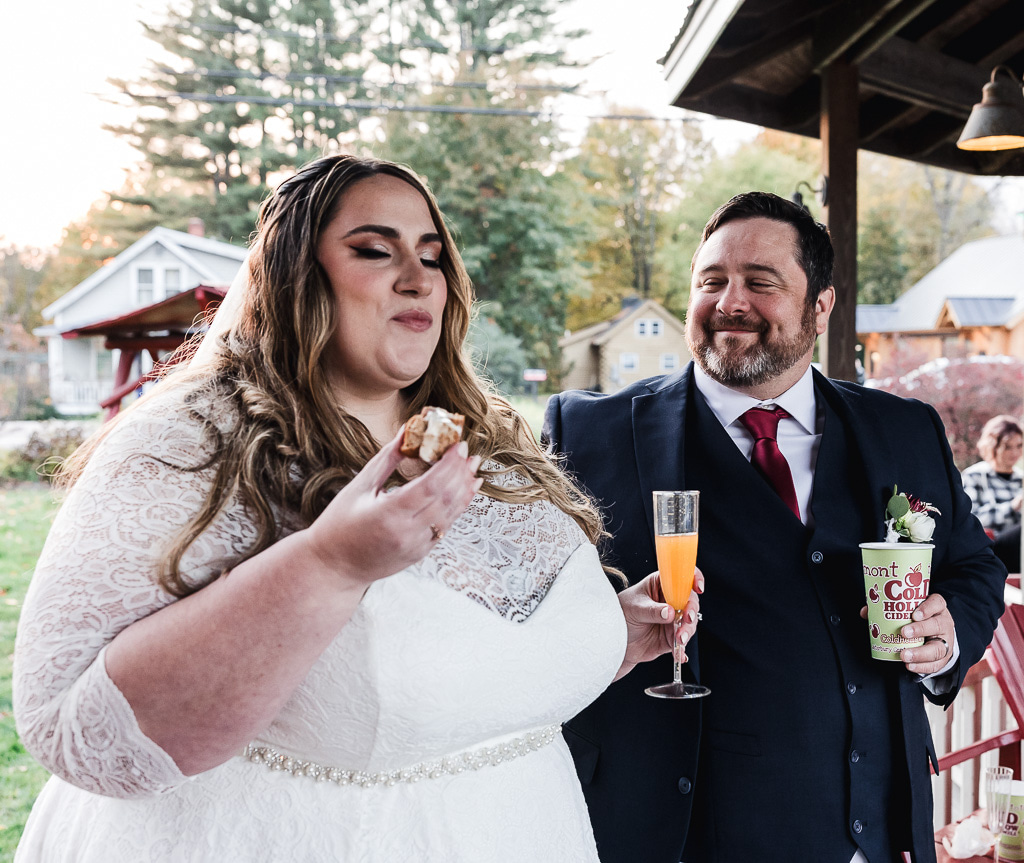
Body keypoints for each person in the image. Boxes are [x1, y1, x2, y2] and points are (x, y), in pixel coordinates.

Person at [13, 154, 697, 862]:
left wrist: (604, 635)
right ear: (293, 276)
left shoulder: (486, 442)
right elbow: (71, 726)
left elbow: (470, 670)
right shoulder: (187, 444)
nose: (417, 276)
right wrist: (330, 565)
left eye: (433, 256)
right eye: (375, 250)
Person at [544, 192, 1007, 863]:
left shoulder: (904, 429)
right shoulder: (588, 433)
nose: (730, 302)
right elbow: (522, 615)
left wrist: (950, 633)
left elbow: (973, 569)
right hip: (675, 835)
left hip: (876, 834)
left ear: (821, 306)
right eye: (711, 281)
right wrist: (602, 629)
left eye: (760, 282)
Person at [962, 414, 1023, 572]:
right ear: (993, 447)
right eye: (1007, 447)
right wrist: (1012, 506)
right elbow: (971, 520)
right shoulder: (974, 475)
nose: (1015, 452)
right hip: (991, 546)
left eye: (1019, 445)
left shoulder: (1020, 478)